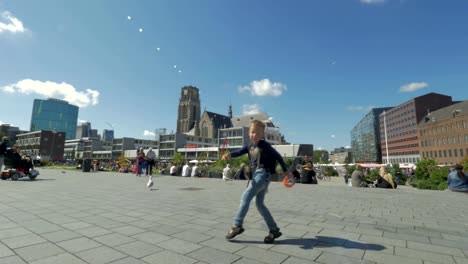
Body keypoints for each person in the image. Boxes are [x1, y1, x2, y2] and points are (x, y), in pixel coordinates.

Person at [222, 120, 290, 244]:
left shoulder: (265, 146)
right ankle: (274, 229)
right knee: (259, 204)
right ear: (249, 133)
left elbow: (278, 156)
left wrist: (285, 171)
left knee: (245, 196)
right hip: (257, 177)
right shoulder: (249, 145)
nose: (255, 135)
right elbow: (239, 151)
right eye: (253, 132)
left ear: (262, 135)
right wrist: (229, 154)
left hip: (263, 174)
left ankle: (237, 225)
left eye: (258, 134)